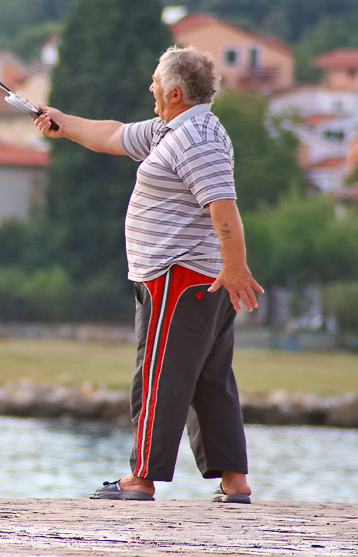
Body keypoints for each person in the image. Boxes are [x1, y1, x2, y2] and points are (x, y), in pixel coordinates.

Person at [33, 46, 262, 504]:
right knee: (209, 379)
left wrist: (235, 265)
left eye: (155, 81)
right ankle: (234, 481)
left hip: (179, 278)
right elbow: (112, 135)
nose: (150, 87)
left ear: (175, 92)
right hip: (192, 277)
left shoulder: (195, 139)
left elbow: (223, 207)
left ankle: (141, 478)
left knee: (158, 375)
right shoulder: (170, 130)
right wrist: (62, 121)